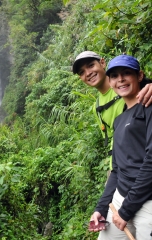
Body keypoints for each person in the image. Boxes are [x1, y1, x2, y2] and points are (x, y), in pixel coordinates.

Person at [89, 54, 152, 239]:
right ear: (110, 81)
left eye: (126, 73)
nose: (120, 79)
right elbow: (117, 169)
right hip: (120, 199)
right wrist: (101, 208)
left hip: (147, 201)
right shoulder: (118, 120)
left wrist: (127, 209)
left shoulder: (149, 107)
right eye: (114, 76)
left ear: (139, 76)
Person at [72, 51, 152, 169]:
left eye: (91, 65)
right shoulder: (97, 107)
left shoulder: (130, 86)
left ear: (102, 63)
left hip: (143, 161)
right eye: (82, 72)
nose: (88, 73)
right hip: (119, 167)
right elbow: (114, 140)